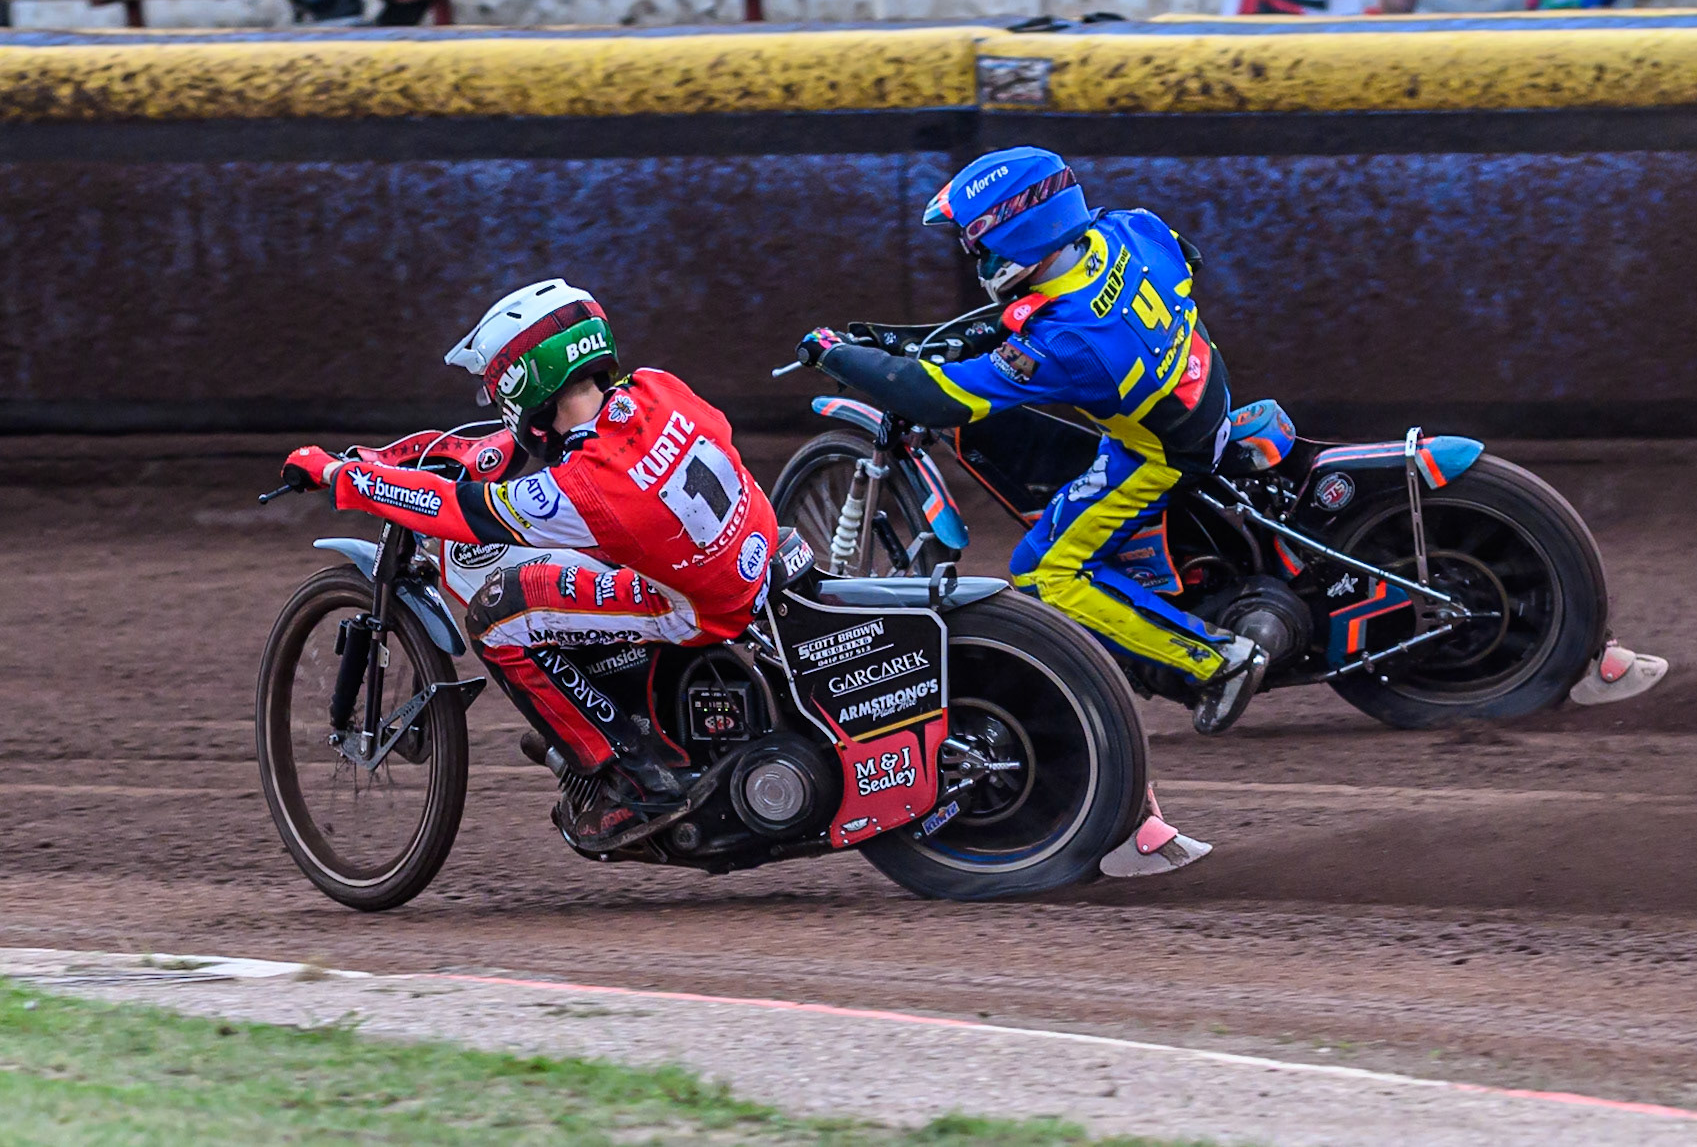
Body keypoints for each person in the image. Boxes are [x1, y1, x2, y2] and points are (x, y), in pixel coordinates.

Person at [283, 279, 779, 851]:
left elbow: (453, 510)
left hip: (698, 606)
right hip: (753, 549)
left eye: (499, 391)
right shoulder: (658, 390)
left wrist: (339, 476)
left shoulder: (583, 488)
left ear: (523, 383)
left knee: (498, 612)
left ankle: (632, 777)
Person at [795, 146, 1269, 736]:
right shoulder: (1128, 228)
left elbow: (941, 399)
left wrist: (835, 353)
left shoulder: (1067, 344)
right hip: (1203, 385)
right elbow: (1184, 257)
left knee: (1044, 569)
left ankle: (1216, 661)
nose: (978, 260)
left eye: (981, 246)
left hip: (1159, 453)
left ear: (1017, 238)